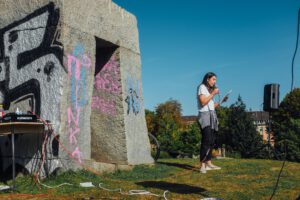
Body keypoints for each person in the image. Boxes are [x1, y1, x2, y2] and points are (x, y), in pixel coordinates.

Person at [197, 72, 228, 173]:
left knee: (211, 140)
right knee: (206, 140)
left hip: (212, 115)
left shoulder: (209, 90)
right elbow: (203, 102)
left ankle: (209, 163)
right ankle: (202, 165)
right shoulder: (202, 87)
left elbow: (211, 105)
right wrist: (213, 93)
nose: (215, 82)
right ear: (208, 79)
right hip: (205, 116)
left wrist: (221, 101)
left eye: (215, 80)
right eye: (213, 79)